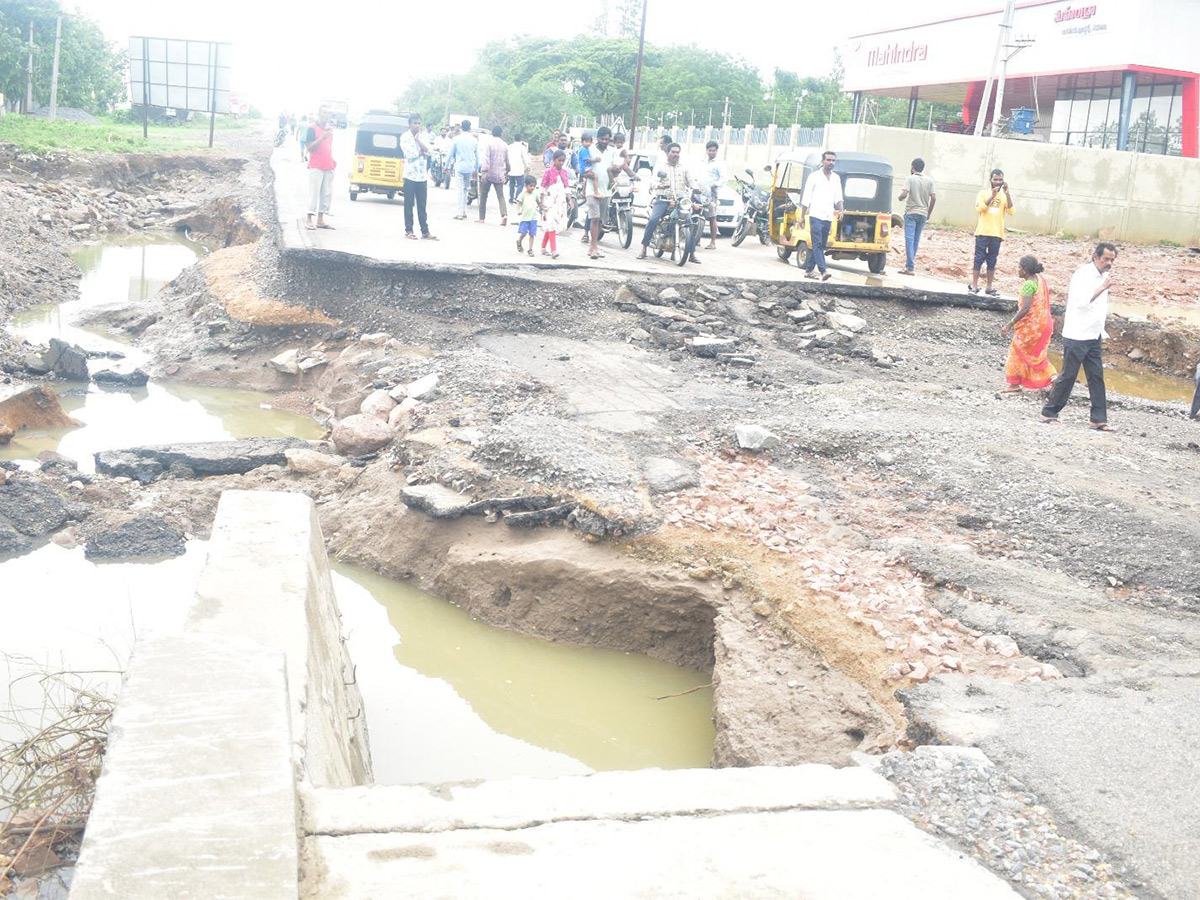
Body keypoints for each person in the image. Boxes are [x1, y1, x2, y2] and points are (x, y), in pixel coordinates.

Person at [1040, 243, 1119, 431]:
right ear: (1095, 257)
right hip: (1077, 334)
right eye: (1106, 259)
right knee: (1069, 375)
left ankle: (1098, 419)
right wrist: (1102, 288)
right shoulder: (1083, 275)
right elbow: (1081, 302)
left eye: (1112, 260)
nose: (1109, 263)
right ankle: (1049, 413)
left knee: (1096, 376)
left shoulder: (1103, 276)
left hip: (1094, 333)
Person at [1001, 255, 1055, 392]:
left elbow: (1025, 308)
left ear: (1025, 271)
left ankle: (1014, 384)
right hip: (1043, 324)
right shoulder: (1040, 280)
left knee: (1015, 351)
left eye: (1019, 267)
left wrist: (1010, 324)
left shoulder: (1028, 285)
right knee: (1036, 355)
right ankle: (1053, 379)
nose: (1017, 270)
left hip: (1031, 327)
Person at [637, 142, 696, 262]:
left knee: (689, 222)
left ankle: (692, 254)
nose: (675, 154)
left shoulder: (683, 167)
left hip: (679, 201)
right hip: (663, 199)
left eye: (677, 152)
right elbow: (653, 182)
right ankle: (644, 248)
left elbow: (691, 182)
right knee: (653, 219)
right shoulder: (661, 166)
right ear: (668, 153)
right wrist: (659, 185)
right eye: (673, 152)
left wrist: (697, 188)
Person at [798, 150, 843, 281]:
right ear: (822, 161)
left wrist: (841, 210)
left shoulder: (836, 178)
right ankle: (823, 271)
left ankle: (808, 270)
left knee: (822, 245)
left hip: (828, 216)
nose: (831, 163)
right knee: (817, 243)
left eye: (833, 160)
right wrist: (802, 216)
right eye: (828, 160)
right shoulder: (814, 177)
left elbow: (838, 197)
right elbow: (806, 197)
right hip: (815, 215)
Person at [970, 169, 1014, 296]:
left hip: (996, 233)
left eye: (1000, 180)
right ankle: (974, 285)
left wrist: (1008, 193)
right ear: (990, 180)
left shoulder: (1004, 196)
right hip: (983, 231)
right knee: (978, 258)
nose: (998, 182)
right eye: (995, 179)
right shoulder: (983, 193)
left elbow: (1011, 211)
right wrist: (992, 196)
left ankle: (989, 287)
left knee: (992, 260)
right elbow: (980, 209)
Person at [399, 113, 436, 241]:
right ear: (409, 124)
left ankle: (425, 232)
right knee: (408, 204)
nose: (417, 125)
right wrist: (421, 152)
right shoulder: (404, 137)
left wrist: (418, 141)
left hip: (421, 176)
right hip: (409, 176)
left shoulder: (423, 136)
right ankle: (409, 230)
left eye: (419, 123)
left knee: (422, 205)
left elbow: (430, 151)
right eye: (414, 123)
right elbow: (409, 154)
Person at [897, 157, 936, 275]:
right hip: (923, 214)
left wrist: (900, 197)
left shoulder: (910, 179)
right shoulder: (929, 181)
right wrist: (929, 213)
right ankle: (909, 265)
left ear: (912, 167)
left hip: (911, 213)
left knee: (909, 239)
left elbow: (904, 194)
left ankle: (909, 267)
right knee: (916, 240)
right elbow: (933, 198)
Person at [304, 106, 336, 231]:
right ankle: (308, 219)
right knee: (314, 193)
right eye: (324, 113)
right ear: (319, 114)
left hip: (328, 165)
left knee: (326, 193)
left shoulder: (330, 129)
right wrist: (321, 138)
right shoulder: (312, 128)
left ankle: (320, 219)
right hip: (316, 166)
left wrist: (332, 162)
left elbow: (328, 147)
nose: (326, 115)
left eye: (328, 113)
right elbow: (309, 148)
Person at [586, 128, 614, 259]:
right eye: (602, 139)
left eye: (607, 139)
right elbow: (582, 167)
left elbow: (615, 169)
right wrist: (589, 175)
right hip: (592, 190)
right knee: (594, 218)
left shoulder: (612, 151)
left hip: (606, 191)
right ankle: (593, 246)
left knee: (601, 221)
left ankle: (594, 245)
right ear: (597, 138)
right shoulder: (589, 150)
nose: (605, 141)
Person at [696, 140, 727, 251]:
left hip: (711, 195)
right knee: (698, 215)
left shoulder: (719, 163)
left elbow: (723, 178)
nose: (711, 152)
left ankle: (713, 242)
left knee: (712, 217)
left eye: (713, 150)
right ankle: (697, 240)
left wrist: (714, 185)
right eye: (709, 150)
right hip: (700, 193)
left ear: (716, 151)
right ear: (706, 151)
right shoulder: (703, 161)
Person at [540, 150, 570, 258]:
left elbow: (567, 188)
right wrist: (541, 202)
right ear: (554, 160)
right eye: (559, 160)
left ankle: (543, 247)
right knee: (551, 224)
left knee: (552, 225)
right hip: (549, 200)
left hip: (560, 201)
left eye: (563, 161)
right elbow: (542, 188)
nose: (561, 163)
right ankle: (553, 250)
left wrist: (570, 200)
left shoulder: (564, 173)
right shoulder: (548, 172)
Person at [447, 120, 479, 220]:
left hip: (460, 167)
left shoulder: (456, 139)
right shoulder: (474, 140)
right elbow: (477, 156)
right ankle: (463, 210)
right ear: (470, 128)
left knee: (460, 190)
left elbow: (450, 154)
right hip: (470, 167)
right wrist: (476, 168)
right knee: (465, 189)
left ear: (461, 127)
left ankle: (460, 212)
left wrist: (446, 165)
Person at [478, 125, 509, 225]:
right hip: (499, 174)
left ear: (492, 133)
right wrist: (507, 172)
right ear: (501, 133)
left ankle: (482, 218)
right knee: (500, 196)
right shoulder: (505, 145)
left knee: (483, 195)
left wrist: (484, 172)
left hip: (489, 174)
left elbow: (486, 158)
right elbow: (507, 161)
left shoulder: (488, 144)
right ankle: (504, 215)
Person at [515, 174, 541, 257]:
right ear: (526, 186)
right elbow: (518, 203)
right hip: (525, 218)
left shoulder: (535, 194)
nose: (532, 188)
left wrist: (543, 209)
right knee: (524, 232)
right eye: (531, 186)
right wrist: (518, 210)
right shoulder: (522, 194)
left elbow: (539, 203)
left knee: (532, 234)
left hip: (533, 217)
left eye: (534, 186)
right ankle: (519, 241)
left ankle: (530, 249)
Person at [508, 133, 530, 203]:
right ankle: (517, 197)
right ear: (521, 139)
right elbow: (525, 158)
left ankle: (511, 198)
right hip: (519, 169)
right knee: (521, 184)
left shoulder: (509, 146)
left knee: (511, 184)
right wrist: (527, 166)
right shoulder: (522, 147)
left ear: (514, 138)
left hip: (510, 169)